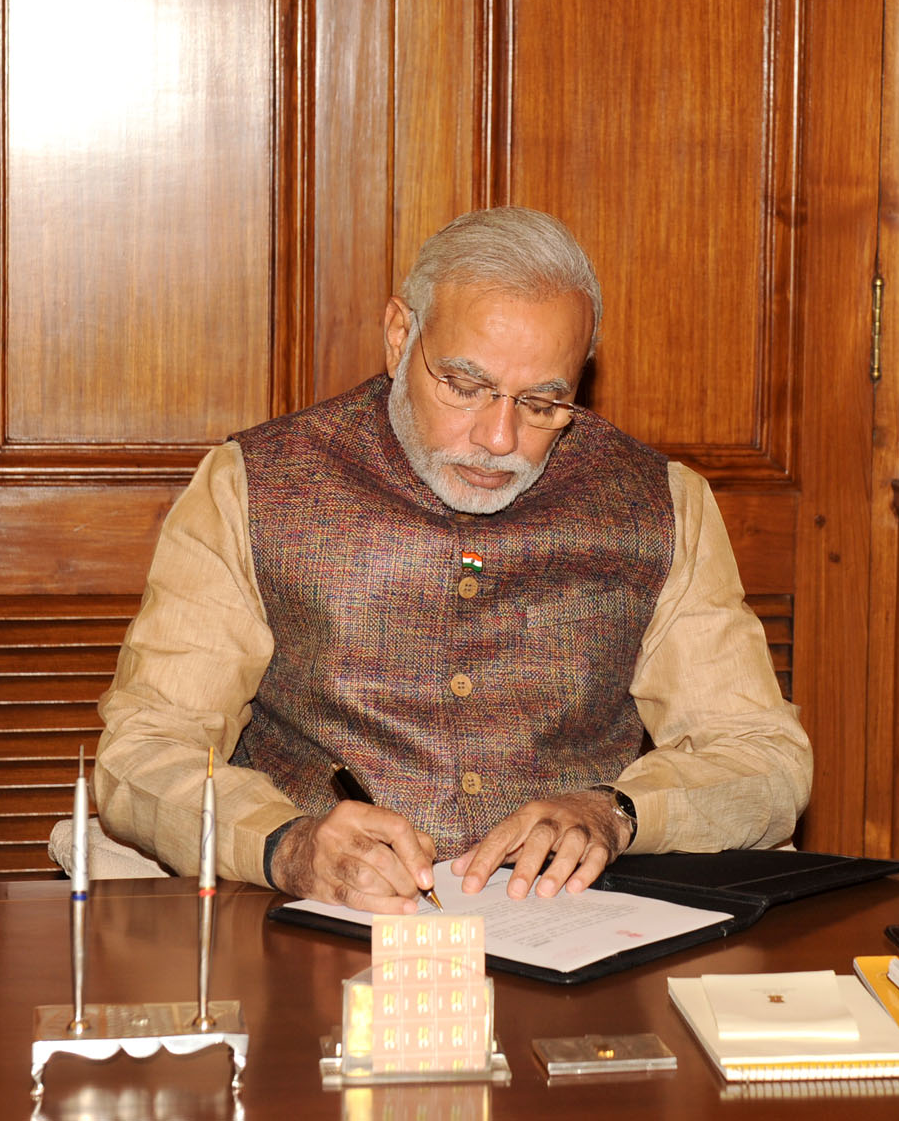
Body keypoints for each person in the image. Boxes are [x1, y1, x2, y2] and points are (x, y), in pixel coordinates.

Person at [92, 206, 811, 914]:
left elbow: (763, 755)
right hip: (317, 925)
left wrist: (617, 810)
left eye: (542, 402)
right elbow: (147, 749)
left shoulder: (657, 503)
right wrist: (285, 843)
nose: (499, 438)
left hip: (578, 923)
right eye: (465, 387)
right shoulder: (255, 486)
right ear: (399, 336)